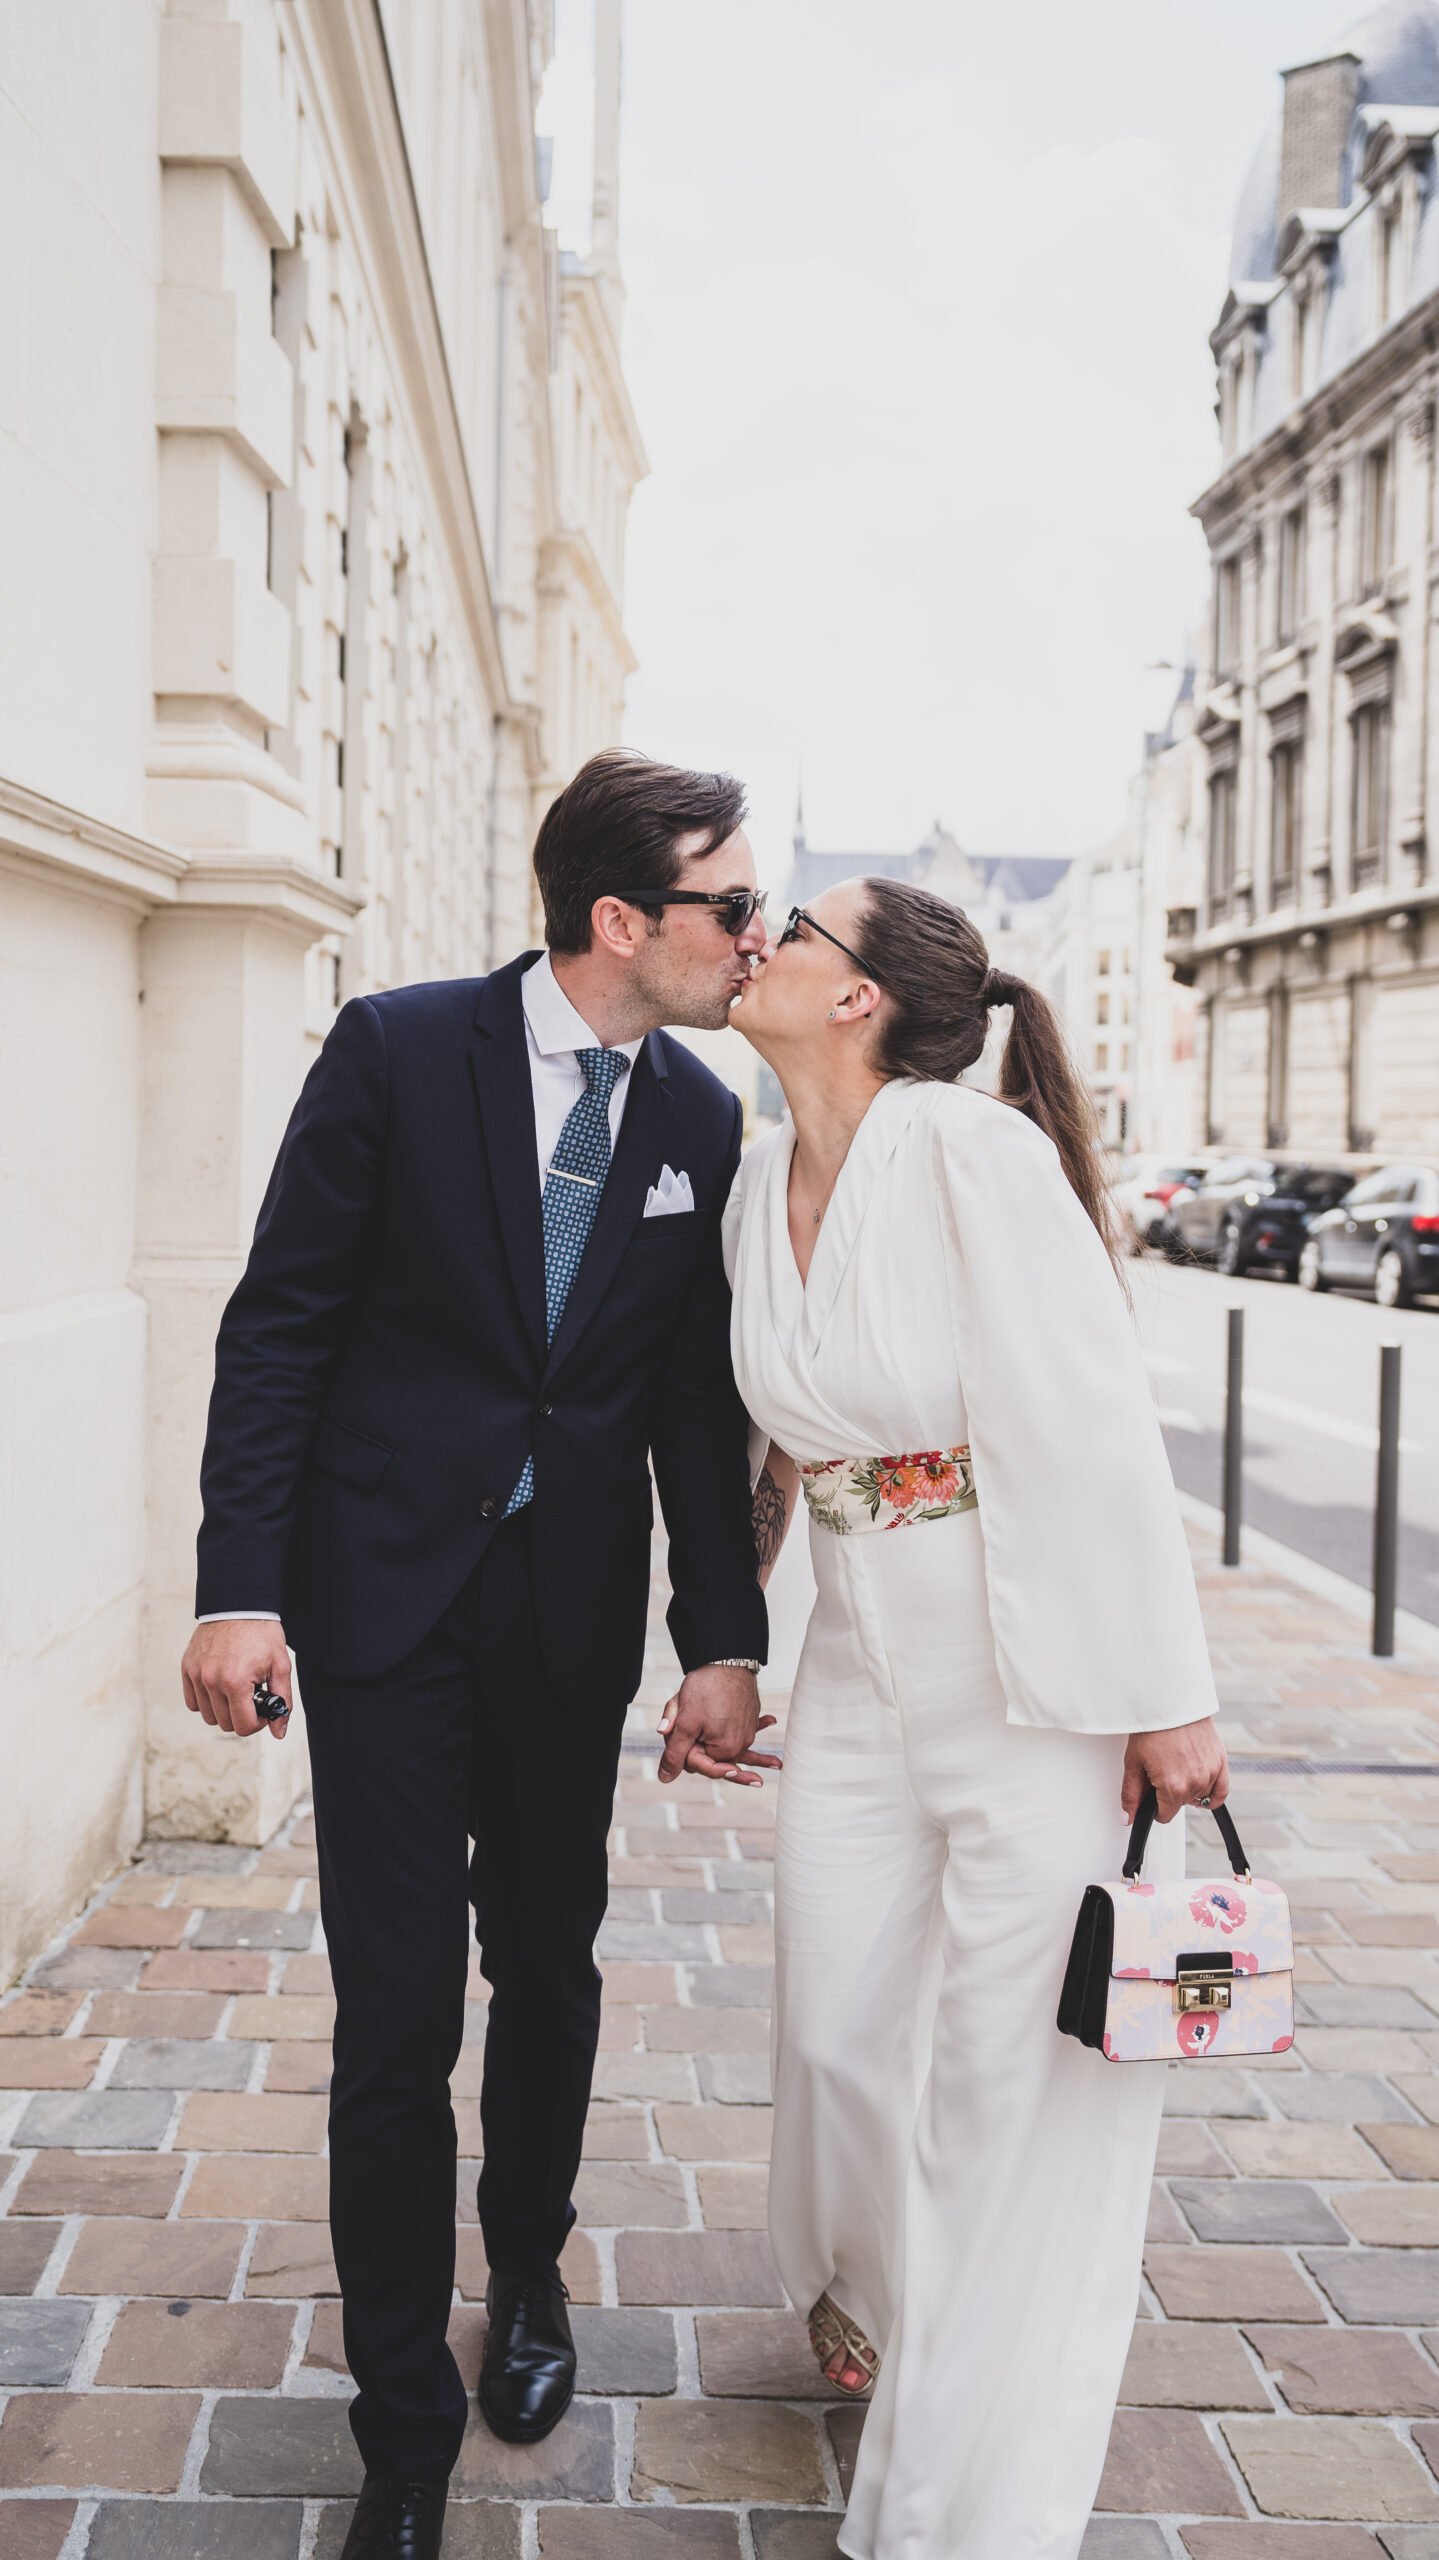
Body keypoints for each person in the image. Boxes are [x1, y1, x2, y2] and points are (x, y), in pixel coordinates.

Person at [180, 750, 778, 2560]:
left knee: (550, 1960)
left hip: (566, 1619)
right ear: (623, 920)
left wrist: (719, 1643)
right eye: (731, 906)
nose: (756, 937)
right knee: (394, 2013)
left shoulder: (696, 1118)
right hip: (378, 1601)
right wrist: (237, 1586)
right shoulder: (394, 1047)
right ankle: (402, 2426)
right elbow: (279, 1325)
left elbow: (690, 1405)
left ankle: (527, 2274)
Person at [724, 877, 1227, 2560]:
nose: (760, 937)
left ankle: (955, 2502)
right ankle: (866, 2295)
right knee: (833, 2028)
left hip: (1037, 1682)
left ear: (858, 995)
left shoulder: (968, 1146)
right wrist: (726, 1645)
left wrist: (1167, 1701)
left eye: (794, 921)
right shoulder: (756, 1170)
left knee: (1008, 2093)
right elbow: (786, 1444)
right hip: (860, 1668)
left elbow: (1085, 1419)